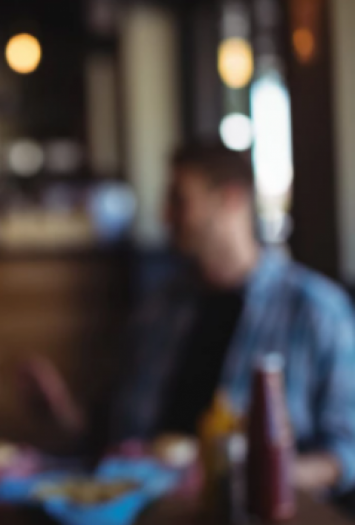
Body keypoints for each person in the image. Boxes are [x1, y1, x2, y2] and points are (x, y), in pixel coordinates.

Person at [110, 141, 355, 495]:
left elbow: (347, 451)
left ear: (231, 198)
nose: (165, 216)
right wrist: (64, 418)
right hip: (142, 504)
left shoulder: (317, 311)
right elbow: (120, 432)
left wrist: (272, 476)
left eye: (179, 200)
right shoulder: (160, 308)